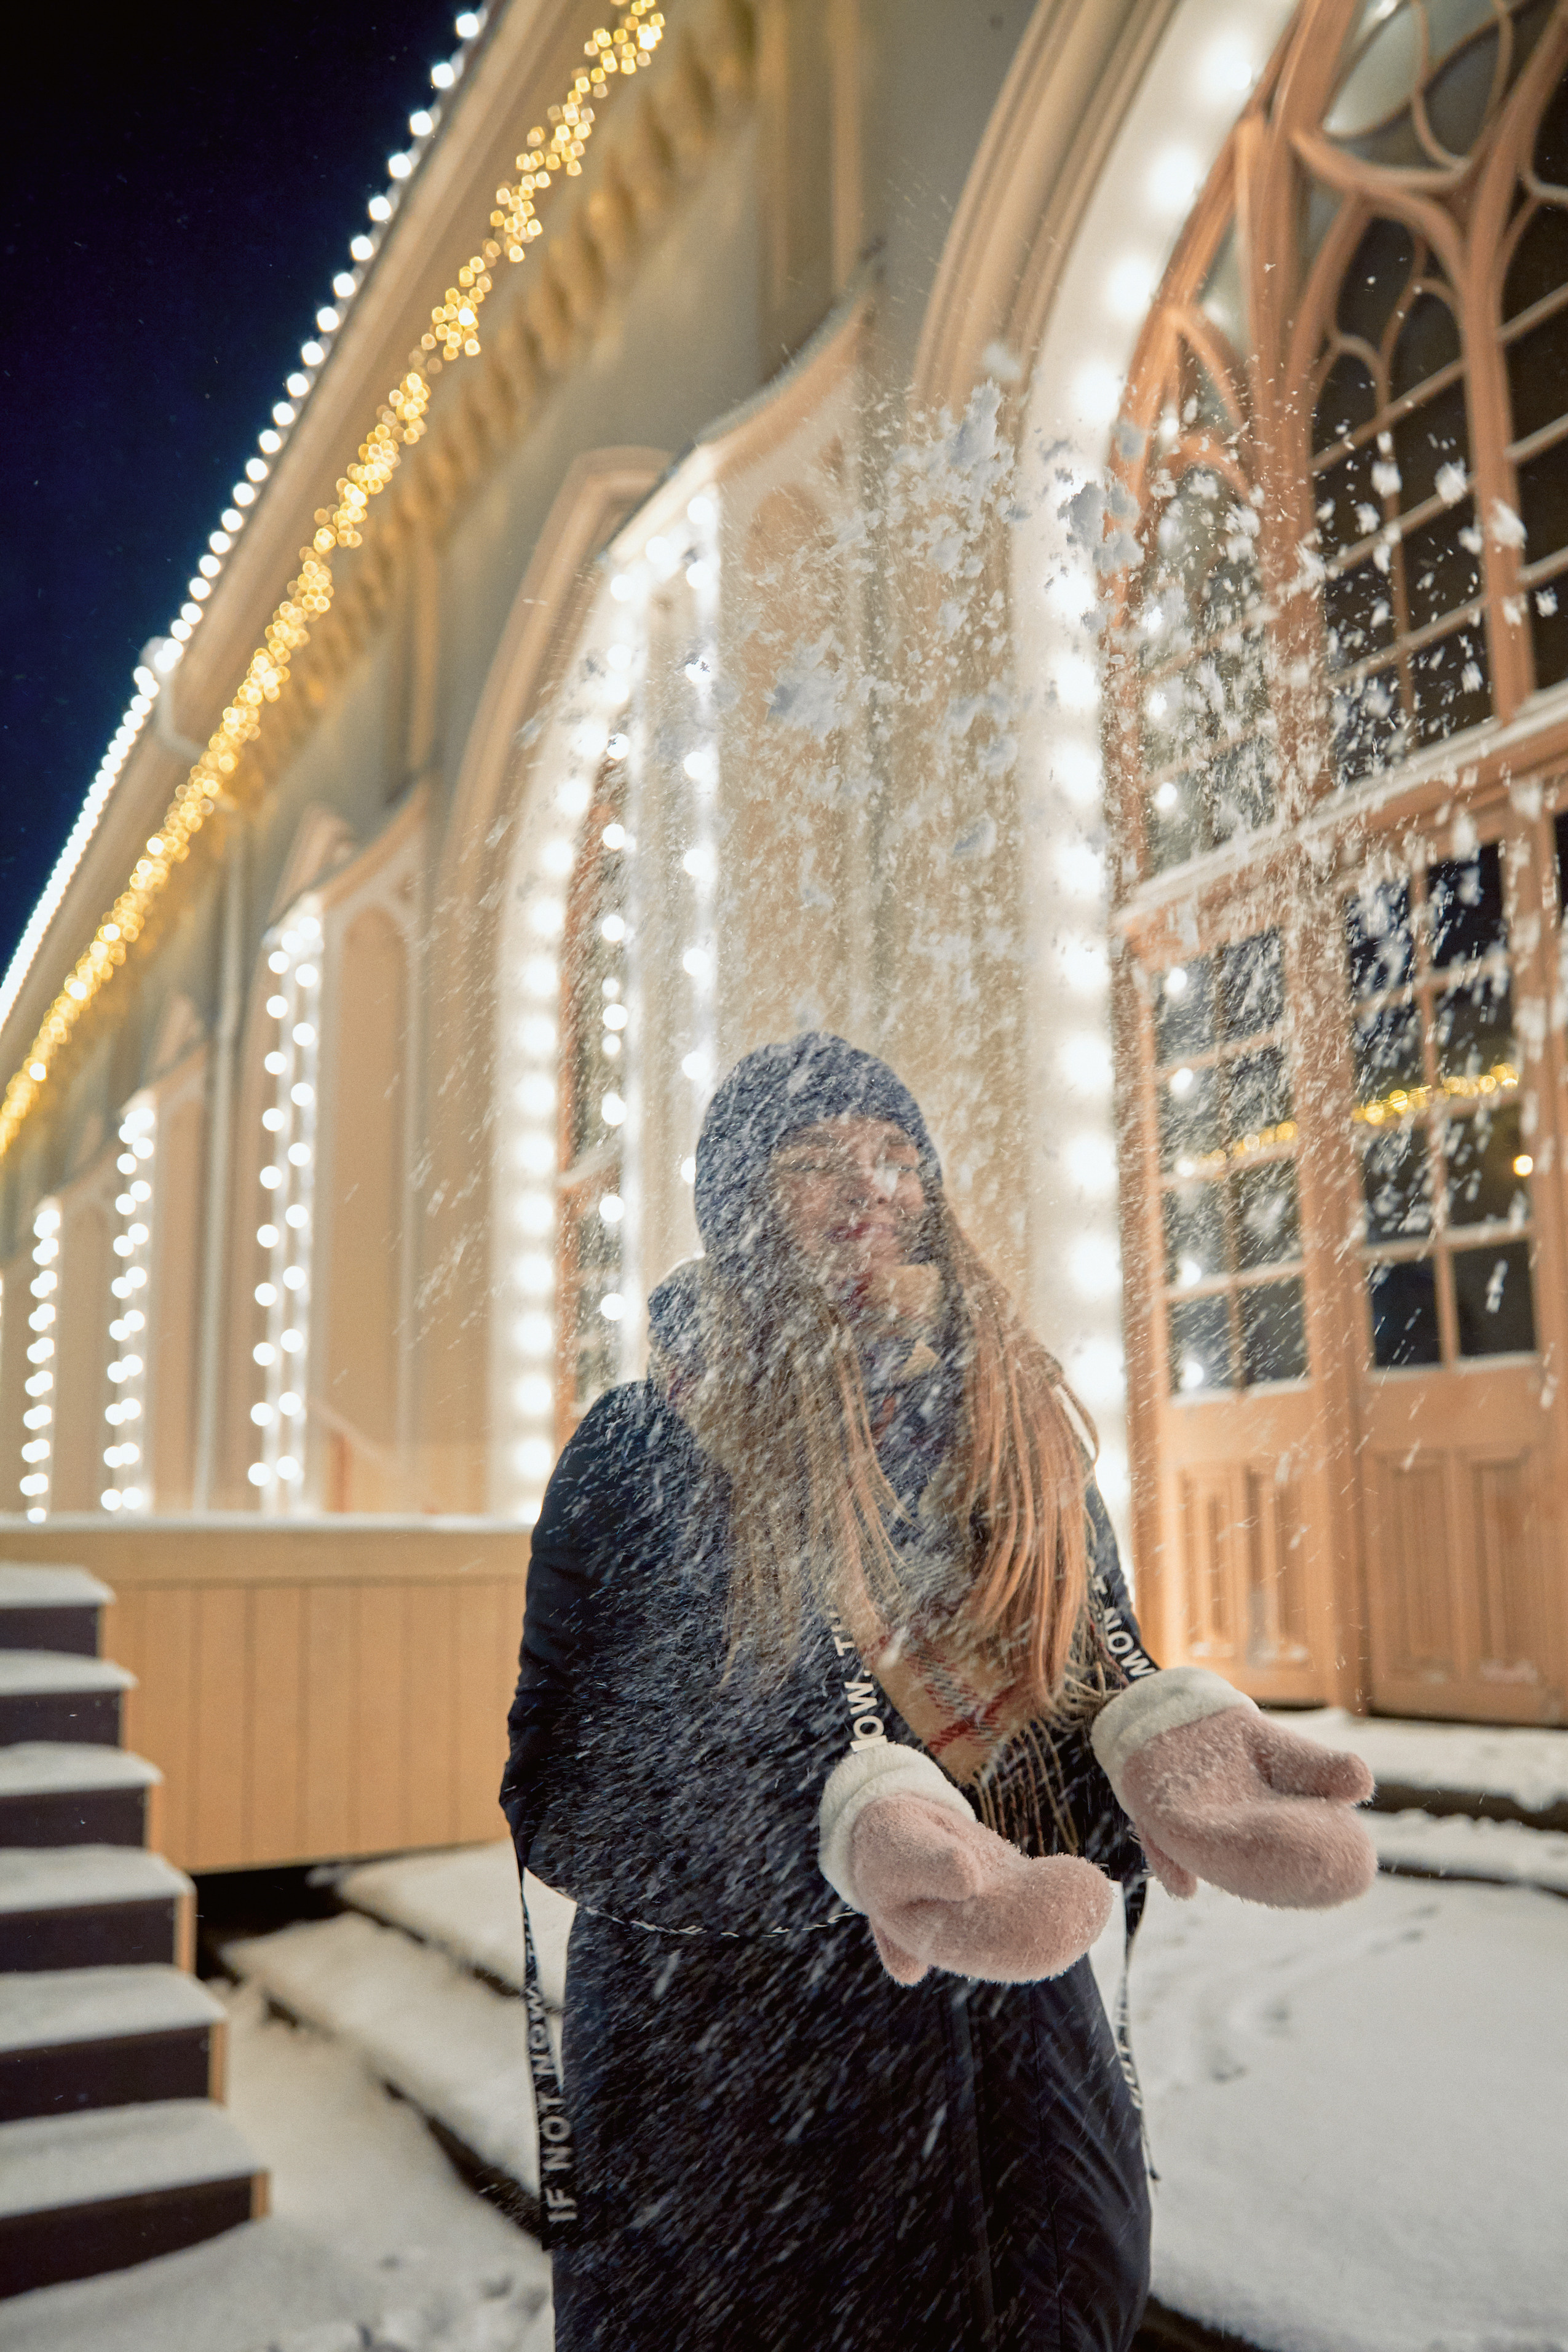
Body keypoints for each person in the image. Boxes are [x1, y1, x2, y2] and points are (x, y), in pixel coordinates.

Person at [502, 1033, 1376, 2351]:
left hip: (1016, 2074)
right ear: (742, 1209)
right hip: (741, 2107)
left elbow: (1086, 1676)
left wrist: (1149, 1757)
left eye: (894, 1155)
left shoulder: (1016, 1427)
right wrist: (844, 1827)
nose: (870, 1193)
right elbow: (573, 1785)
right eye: (813, 1167)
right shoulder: (643, 1447)